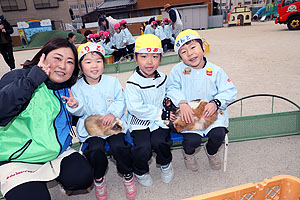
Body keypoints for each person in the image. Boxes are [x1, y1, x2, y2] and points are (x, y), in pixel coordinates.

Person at [0, 37, 94, 200]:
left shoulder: (67, 89)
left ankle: (55, 179)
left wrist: (76, 109)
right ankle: (32, 182)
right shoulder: (18, 77)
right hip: (16, 157)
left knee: (83, 176)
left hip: (54, 152)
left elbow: (70, 121)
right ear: (42, 56)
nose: (63, 66)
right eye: (57, 58)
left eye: (70, 62)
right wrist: (31, 82)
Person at [64, 42, 137, 200]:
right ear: (80, 65)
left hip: (113, 126)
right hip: (92, 131)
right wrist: (75, 106)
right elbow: (80, 111)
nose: (94, 66)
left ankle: (128, 174)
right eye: (88, 62)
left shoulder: (112, 82)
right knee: (95, 150)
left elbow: (120, 99)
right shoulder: (77, 88)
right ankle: (99, 179)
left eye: (98, 61)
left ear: (104, 63)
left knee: (119, 146)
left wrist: (112, 113)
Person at [166, 29, 237, 171]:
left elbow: (230, 90)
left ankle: (211, 152)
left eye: (193, 47)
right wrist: (182, 102)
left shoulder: (215, 70)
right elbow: (171, 88)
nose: (190, 53)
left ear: (203, 46)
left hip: (211, 114)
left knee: (218, 135)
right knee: (192, 140)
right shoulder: (177, 70)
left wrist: (216, 103)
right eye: (184, 51)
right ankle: (188, 154)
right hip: (189, 114)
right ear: (180, 57)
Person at [125, 34, 175, 187]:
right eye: (144, 56)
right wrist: (161, 113)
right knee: (142, 148)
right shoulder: (132, 82)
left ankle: (166, 165)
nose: (149, 61)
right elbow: (135, 107)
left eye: (154, 56)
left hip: (159, 121)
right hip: (140, 122)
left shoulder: (163, 78)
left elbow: (170, 91)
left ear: (160, 58)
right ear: (136, 58)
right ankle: (140, 171)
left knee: (160, 141)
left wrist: (168, 101)